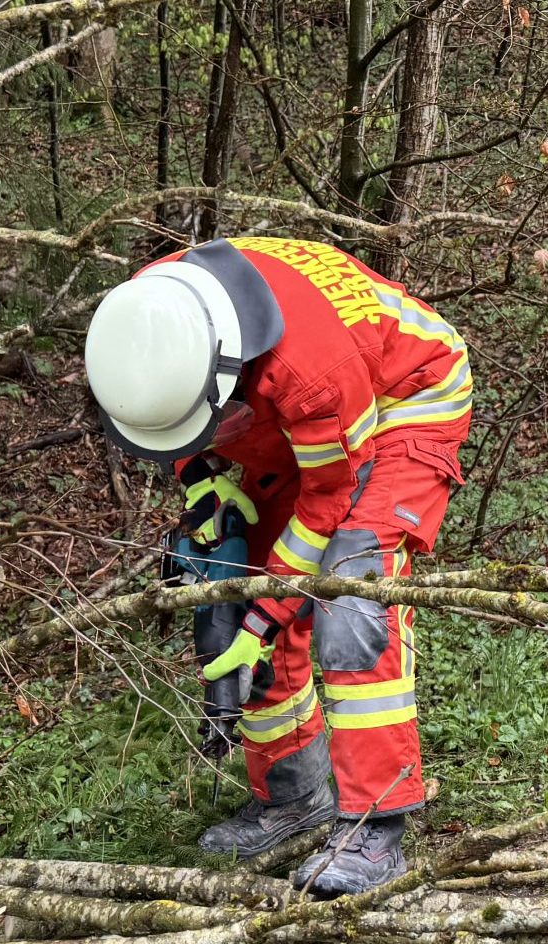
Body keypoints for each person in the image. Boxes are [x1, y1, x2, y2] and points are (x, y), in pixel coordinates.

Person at [80, 236, 471, 895]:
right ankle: (293, 796)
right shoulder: (152, 311)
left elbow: (327, 501)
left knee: (351, 590)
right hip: (289, 421)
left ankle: (375, 829)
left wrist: (264, 617)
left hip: (406, 400)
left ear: (227, 367)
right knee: (234, 596)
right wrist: (203, 485)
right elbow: (182, 421)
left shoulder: (313, 374)